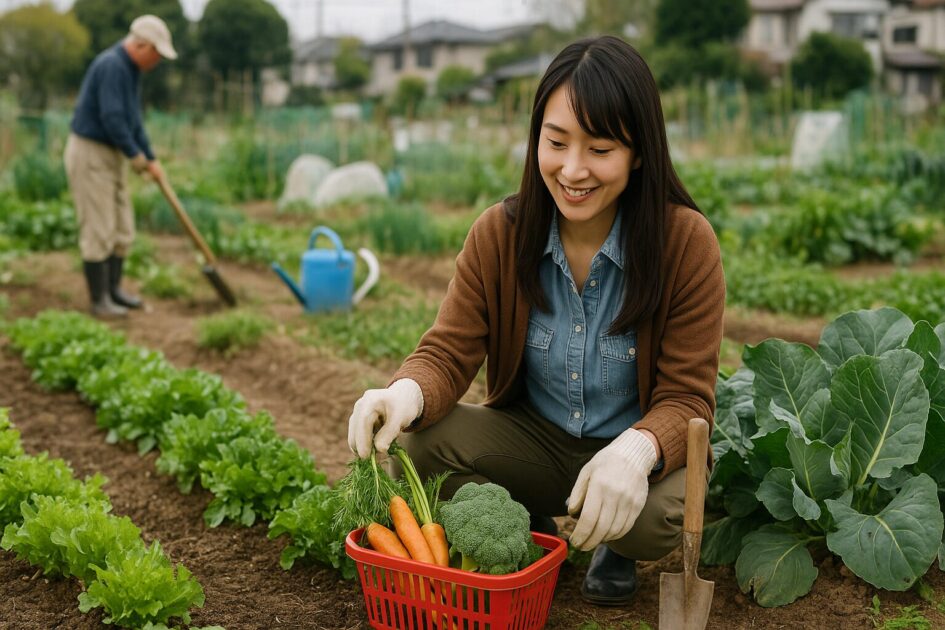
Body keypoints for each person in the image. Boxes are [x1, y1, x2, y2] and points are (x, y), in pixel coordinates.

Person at [347, 35, 724, 606]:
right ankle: (529, 529)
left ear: (639, 152)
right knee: (419, 446)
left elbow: (688, 400)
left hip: (628, 459)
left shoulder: (684, 244)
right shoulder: (499, 234)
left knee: (662, 513)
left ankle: (614, 548)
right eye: (556, 143)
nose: (573, 170)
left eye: (600, 149)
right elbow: (447, 354)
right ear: (536, 140)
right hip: (534, 442)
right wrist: (404, 392)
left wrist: (636, 450)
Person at [63, 15, 177, 317]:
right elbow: (113, 118)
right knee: (98, 227)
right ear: (142, 45)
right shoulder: (112, 66)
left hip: (111, 153)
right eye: (157, 53)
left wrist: (150, 157)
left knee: (122, 226)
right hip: (91, 153)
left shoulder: (131, 70)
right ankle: (99, 300)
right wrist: (137, 158)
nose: (157, 61)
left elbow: (133, 121)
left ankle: (113, 290)